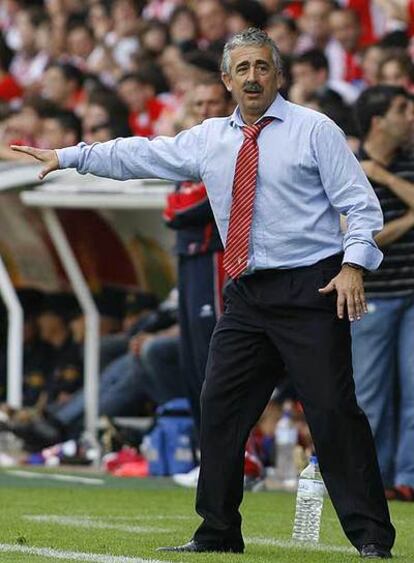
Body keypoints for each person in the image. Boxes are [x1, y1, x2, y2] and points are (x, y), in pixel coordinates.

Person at [11, 28, 395, 559]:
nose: (253, 77)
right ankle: (217, 532)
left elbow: (361, 204)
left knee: (332, 412)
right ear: (226, 80)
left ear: (277, 75)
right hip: (247, 294)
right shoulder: (210, 137)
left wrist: (354, 264)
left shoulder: (315, 130)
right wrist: (69, 155)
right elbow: (139, 155)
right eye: (243, 69)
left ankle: (372, 536)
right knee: (217, 408)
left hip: (311, 286)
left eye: (262, 66)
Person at [353, 85, 414, 502]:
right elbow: (361, 234)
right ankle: (369, 482)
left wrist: (386, 177)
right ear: (378, 121)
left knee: (413, 392)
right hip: (372, 295)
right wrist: (410, 220)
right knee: (370, 395)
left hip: (411, 294)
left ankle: (407, 479)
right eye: (402, 109)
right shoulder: (350, 168)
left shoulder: (406, 165)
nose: (409, 117)